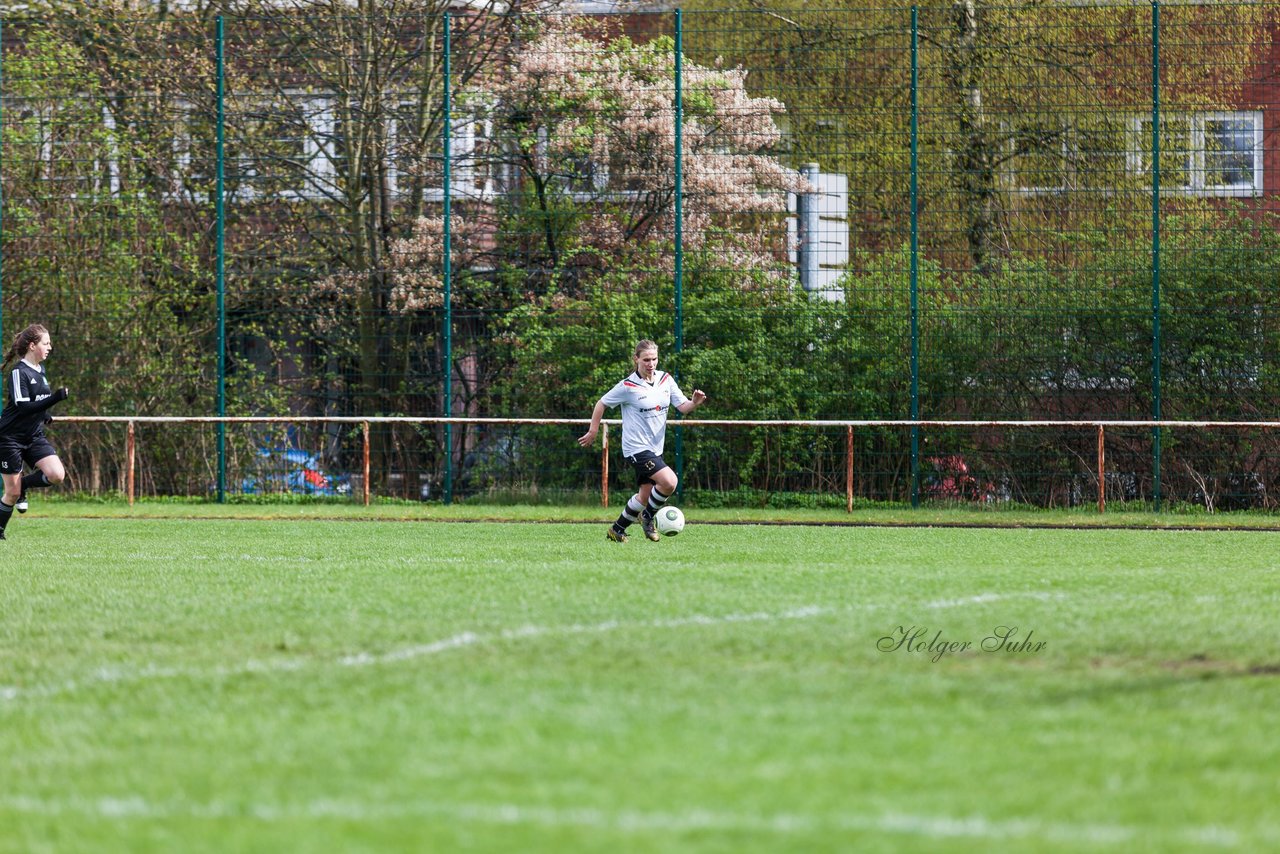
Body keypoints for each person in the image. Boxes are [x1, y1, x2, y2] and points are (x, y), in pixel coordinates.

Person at [578, 339, 706, 542]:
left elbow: (682, 407)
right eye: (646, 359)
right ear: (636, 359)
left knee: (644, 497)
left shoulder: (666, 380)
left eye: (654, 359)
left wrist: (694, 403)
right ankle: (647, 517)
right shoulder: (628, 386)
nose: (651, 363)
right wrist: (593, 430)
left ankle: (617, 530)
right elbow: (601, 403)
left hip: (655, 448)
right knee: (670, 482)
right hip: (636, 448)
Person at [0, 324, 69, 540]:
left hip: (33, 436)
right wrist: (55, 398)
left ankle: (25, 486)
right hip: (9, 438)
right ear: (32, 346)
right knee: (11, 494)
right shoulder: (18, 373)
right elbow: (23, 406)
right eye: (46, 343)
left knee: (57, 475)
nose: (50, 347)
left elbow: (36, 403)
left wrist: (44, 414)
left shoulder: (41, 370)